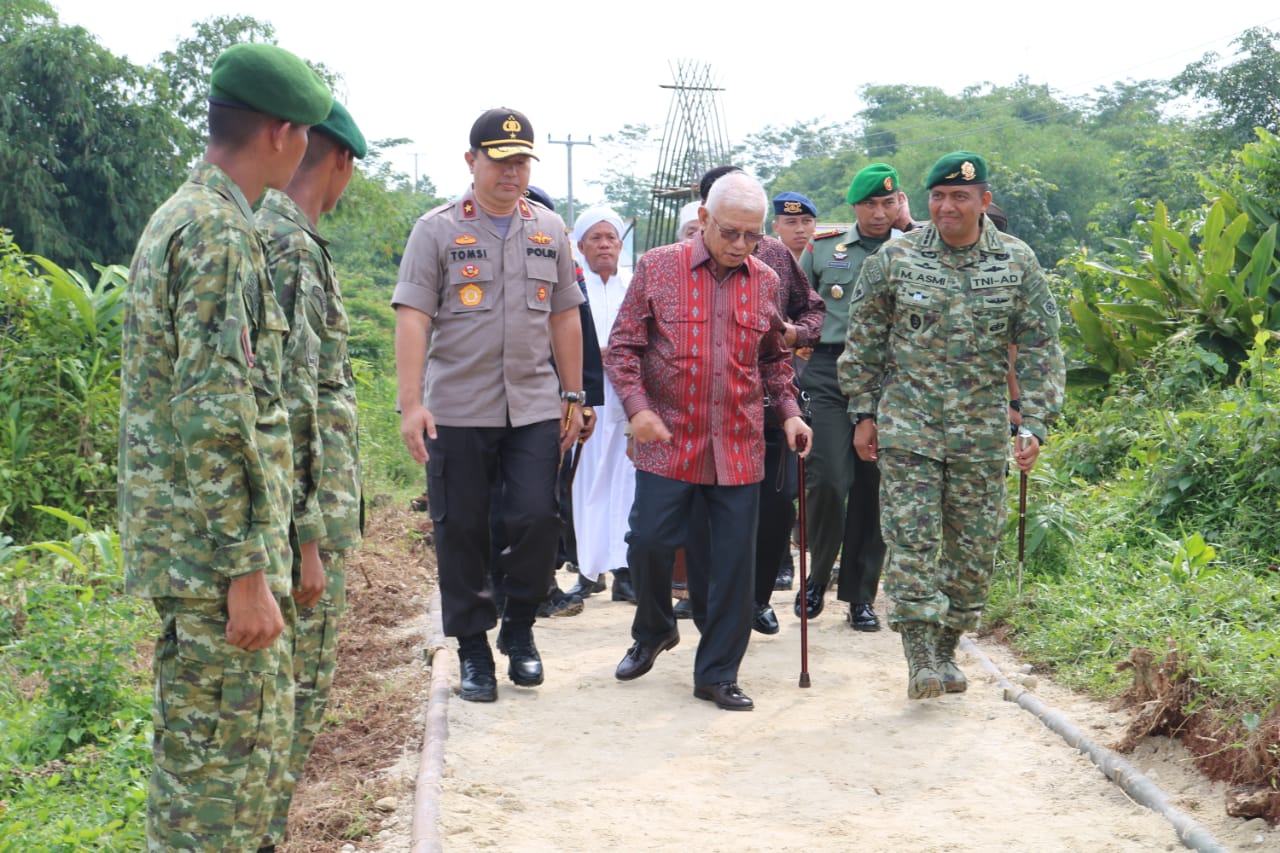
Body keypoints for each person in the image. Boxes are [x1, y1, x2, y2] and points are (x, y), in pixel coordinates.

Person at [118, 43, 331, 851]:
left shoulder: (186, 215)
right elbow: (213, 411)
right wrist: (248, 570)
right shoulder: (218, 233)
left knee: (212, 768)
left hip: (196, 548)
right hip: (214, 561)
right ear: (280, 132)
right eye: (305, 132)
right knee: (219, 786)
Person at [838, 150, 1064, 700]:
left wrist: (1033, 422)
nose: (946, 206)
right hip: (907, 427)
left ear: (984, 201)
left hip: (981, 433)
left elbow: (1040, 345)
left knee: (972, 551)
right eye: (938, 196)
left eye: (960, 196)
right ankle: (919, 655)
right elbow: (864, 341)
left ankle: (947, 646)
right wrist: (863, 413)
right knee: (912, 542)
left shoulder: (1016, 262)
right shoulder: (894, 260)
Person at [393, 107, 584, 703]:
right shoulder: (437, 230)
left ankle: (521, 630)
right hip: (457, 406)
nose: (512, 172)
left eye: (522, 161)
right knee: (463, 530)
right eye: (500, 161)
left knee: (535, 517)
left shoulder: (549, 228)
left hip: (532, 404)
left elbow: (564, 315)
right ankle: (474, 648)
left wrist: (573, 395)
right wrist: (410, 404)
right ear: (471, 161)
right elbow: (413, 316)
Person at [605, 171, 813, 711]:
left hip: (739, 443)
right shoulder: (658, 267)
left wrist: (789, 413)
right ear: (703, 220)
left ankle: (717, 673)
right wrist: (639, 409)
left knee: (731, 566)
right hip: (668, 437)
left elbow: (773, 358)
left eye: (752, 235)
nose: (741, 245)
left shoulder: (766, 278)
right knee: (649, 541)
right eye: (730, 233)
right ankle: (653, 629)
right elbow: (623, 348)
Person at [255, 100, 366, 849]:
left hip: (297, 527)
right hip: (300, 537)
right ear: (341, 162)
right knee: (284, 713)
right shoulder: (289, 248)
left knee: (280, 715)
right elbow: (289, 405)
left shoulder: (282, 238)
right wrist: (307, 543)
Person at [796, 163, 903, 631]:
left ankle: (861, 596)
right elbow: (795, 310)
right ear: (855, 207)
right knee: (831, 479)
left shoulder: (914, 249)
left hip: (889, 377)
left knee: (872, 487)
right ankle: (817, 575)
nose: (879, 213)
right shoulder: (823, 250)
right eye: (870, 205)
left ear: (898, 203)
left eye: (888, 202)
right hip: (828, 372)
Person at [563, 206, 638, 605]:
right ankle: (590, 570)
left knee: (628, 478)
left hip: (629, 395)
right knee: (588, 479)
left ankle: (627, 570)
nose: (605, 244)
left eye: (611, 238)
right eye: (596, 238)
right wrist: (595, 354)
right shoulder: (573, 286)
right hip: (589, 396)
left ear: (620, 245)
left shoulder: (634, 283)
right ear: (580, 246)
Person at [771, 190, 818, 261]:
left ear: (815, 224)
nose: (800, 229)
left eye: (806, 221)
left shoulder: (828, 257)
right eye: (791, 222)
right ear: (776, 227)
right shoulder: (764, 261)